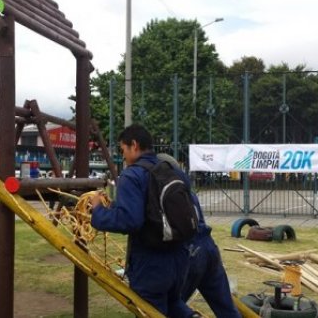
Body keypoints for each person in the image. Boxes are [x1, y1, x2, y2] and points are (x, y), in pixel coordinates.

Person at [89, 125, 195, 317]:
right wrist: (115, 206)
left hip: (151, 262)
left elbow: (130, 220)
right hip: (179, 258)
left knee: (151, 309)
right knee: (173, 304)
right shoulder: (172, 170)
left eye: (123, 150)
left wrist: (98, 211)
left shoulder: (132, 175)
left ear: (134, 145)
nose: (123, 156)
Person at [156, 153, 241, 318]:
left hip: (191, 252)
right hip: (208, 246)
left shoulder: (168, 189)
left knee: (172, 303)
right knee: (226, 307)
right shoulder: (184, 187)